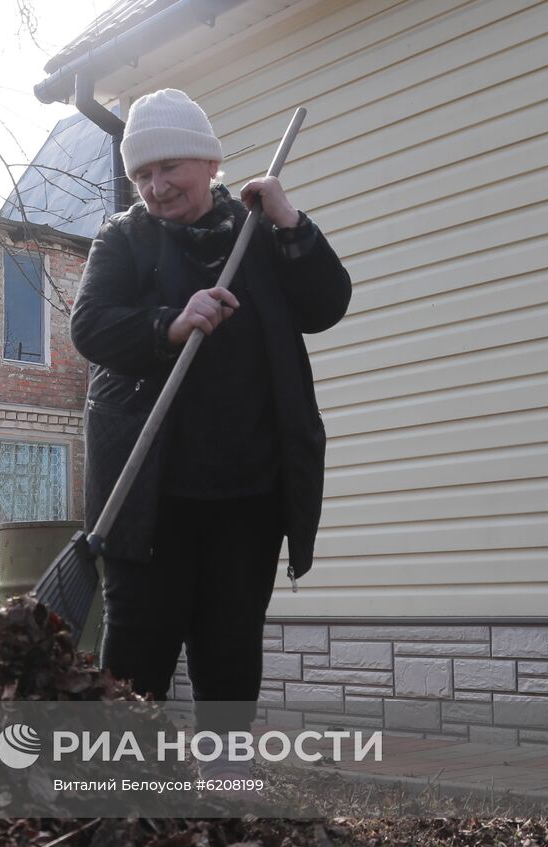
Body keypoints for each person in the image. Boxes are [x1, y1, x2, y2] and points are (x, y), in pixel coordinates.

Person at [70, 88, 351, 740]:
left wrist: (292, 223)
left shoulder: (258, 232)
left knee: (230, 644)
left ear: (208, 163)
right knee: (138, 650)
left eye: (170, 167)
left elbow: (327, 303)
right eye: (142, 173)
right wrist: (168, 323)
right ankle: (125, 793)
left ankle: (226, 784)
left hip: (247, 494)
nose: (157, 186)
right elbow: (91, 327)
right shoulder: (125, 239)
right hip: (148, 498)